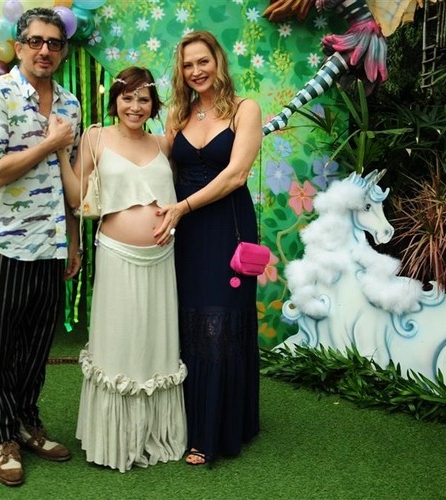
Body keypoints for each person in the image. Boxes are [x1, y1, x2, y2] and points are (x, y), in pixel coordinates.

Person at [0, 8, 82, 487]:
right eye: (35, 41)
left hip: (51, 245)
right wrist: (49, 143)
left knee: (37, 347)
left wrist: (73, 242)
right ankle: (4, 437)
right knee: (1, 348)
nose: (44, 50)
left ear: (63, 51)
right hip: (4, 245)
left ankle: (29, 423)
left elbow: (67, 178)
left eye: (54, 43)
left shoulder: (70, 105)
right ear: (18, 47)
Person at [60, 66, 187, 472]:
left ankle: (152, 434)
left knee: (154, 346)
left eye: (143, 99)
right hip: (117, 256)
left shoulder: (164, 143)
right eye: (127, 97)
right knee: (120, 345)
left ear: (153, 106)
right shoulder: (95, 137)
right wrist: (60, 153)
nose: (135, 106)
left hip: (161, 260)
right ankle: (115, 441)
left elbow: (178, 198)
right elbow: (77, 197)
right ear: (115, 100)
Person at [155, 31, 263, 466]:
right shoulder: (178, 113)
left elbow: (236, 175)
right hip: (186, 232)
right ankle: (183, 422)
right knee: (188, 320)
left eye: (203, 61)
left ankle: (213, 431)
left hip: (226, 227)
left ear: (218, 62)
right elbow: (161, 165)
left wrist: (182, 207)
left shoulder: (244, 109)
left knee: (220, 322)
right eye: (187, 65)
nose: (196, 71)